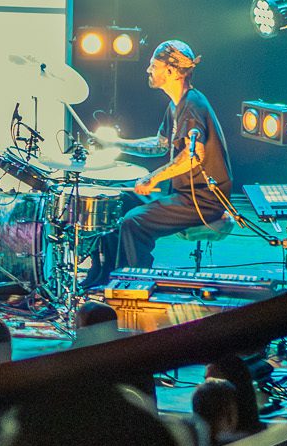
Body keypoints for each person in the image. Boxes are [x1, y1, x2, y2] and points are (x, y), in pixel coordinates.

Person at [80, 39, 232, 293]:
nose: (148, 70)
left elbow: (193, 155)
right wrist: (116, 143)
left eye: (153, 65)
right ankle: (105, 275)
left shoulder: (192, 105)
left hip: (202, 200)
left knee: (133, 222)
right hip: (182, 194)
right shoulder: (176, 105)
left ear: (170, 71)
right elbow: (160, 144)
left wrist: (153, 178)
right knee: (115, 202)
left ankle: (136, 286)